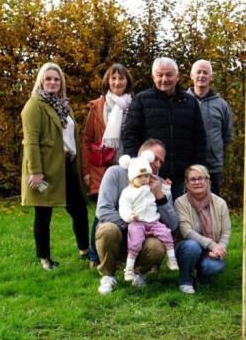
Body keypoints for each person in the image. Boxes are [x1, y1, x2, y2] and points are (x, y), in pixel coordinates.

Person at [21, 62, 89, 270]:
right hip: (46, 170)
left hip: (66, 167)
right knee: (43, 215)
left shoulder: (62, 105)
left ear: (61, 82)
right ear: (41, 81)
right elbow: (31, 141)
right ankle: (45, 259)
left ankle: (85, 251)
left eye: (56, 79)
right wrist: (36, 172)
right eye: (48, 78)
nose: (52, 82)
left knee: (79, 209)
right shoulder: (34, 105)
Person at [94, 139, 179, 294]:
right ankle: (108, 275)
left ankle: (139, 273)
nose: (158, 165)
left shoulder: (160, 183)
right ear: (142, 155)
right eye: (155, 158)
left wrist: (159, 196)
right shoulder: (116, 172)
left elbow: (173, 224)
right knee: (107, 229)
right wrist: (133, 228)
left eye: (161, 161)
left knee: (157, 246)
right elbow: (103, 210)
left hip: (145, 238)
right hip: (119, 232)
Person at [122, 57, 206, 198]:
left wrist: (196, 168)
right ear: (153, 77)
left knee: (179, 215)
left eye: (169, 74)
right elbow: (130, 135)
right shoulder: (141, 100)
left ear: (177, 77)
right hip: (150, 173)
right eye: (160, 75)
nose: (164, 79)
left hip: (181, 174)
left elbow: (199, 137)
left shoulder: (190, 102)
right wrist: (137, 166)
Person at [81, 63, 134, 267]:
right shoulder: (98, 106)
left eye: (121, 78)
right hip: (102, 167)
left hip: (127, 166)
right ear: (107, 81)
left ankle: (121, 255)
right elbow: (87, 139)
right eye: (113, 78)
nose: (117, 82)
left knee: (125, 208)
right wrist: (86, 171)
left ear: (127, 81)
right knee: (102, 211)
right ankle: (95, 256)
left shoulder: (134, 104)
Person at [118, 151, 179, 281]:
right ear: (132, 177)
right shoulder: (128, 192)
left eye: (146, 175)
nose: (144, 179)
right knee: (135, 242)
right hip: (137, 222)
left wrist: (167, 188)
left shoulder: (151, 187)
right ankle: (129, 269)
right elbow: (124, 207)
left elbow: (165, 198)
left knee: (166, 234)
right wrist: (130, 216)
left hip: (153, 221)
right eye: (140, 176)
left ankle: (172, 259)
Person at [175, 165, 231, 294]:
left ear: (208, 181)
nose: (197, 182)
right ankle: (185, 280)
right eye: (193, 179)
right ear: (187, 183)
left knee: (213, 267)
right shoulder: (180, 202)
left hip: (212, 249)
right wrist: (212, 245)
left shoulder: (220, 203)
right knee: (191, 246)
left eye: (201, 178)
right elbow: (186, 231)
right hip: (186, 248)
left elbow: (226, 231)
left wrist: (220, 248)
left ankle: (202, 277)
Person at [186, 59, 233, 195]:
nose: (201, 75)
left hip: (212, 164)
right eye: (198, 72)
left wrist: (215, 148)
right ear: (192, 75)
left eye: (205, 72)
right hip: (187, 162)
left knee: (212, 204)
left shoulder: (221, 105)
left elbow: (227, 134)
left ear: (211, 77)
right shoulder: (182, 100)